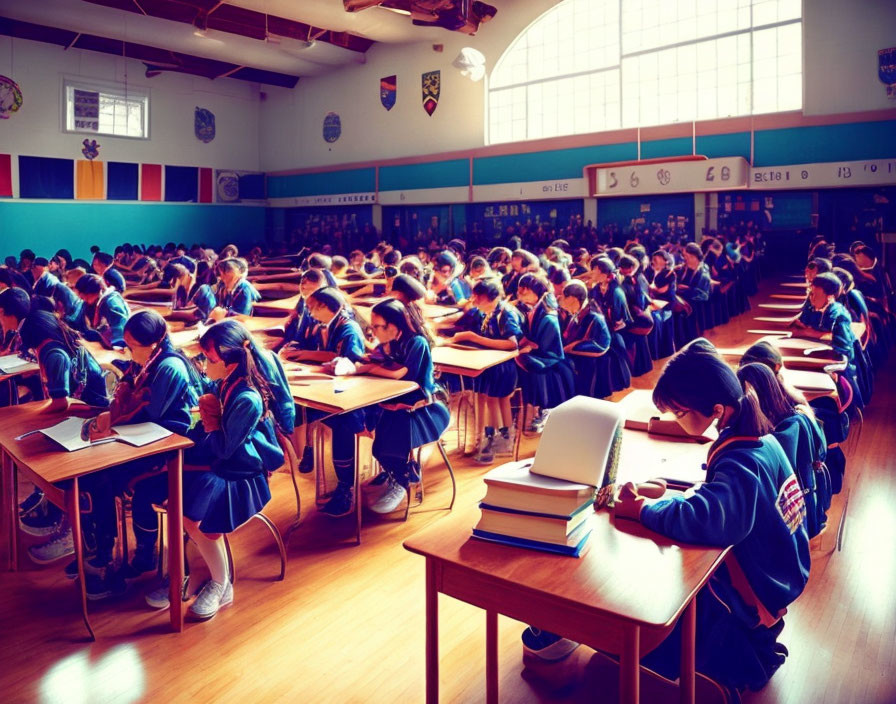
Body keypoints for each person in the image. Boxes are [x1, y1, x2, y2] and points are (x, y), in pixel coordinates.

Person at [590, 338, 809, 695]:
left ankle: (663, 654)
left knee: (659, 577)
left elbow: (708, 520)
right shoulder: (759, 438)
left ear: (717, 410)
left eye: (679, 413)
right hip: (779, 570)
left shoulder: (742, 460)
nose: (676, 421)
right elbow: (723, 503)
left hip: (759, 586)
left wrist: (643, 509)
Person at [160, 321, 284, 619]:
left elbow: (225, 449)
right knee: (174, 498)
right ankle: (195, 572)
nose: (204, 364)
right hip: (224, 463)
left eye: (209, 358)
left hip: (241, 474)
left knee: (198, 521)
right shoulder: (227, 381)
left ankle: (221, 583)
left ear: (230, 359)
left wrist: (211, 419)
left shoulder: (246, 397)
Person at [76, 310, 203, 597]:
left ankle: (115, 550)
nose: (127, 349)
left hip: (169, 442)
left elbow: (152, 414)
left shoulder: (170, 367)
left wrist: (114, 422)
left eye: (133, 345)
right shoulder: (148, 361)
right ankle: (108, 546)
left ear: (155, 342)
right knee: (97, 473)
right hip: (145, 435)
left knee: (104, 477)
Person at [18, 311, 111, 565]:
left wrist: (30, 417)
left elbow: (60, 403)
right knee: (30, 446)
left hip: (91, 421)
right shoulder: (56, 345)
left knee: (43, 459)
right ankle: (61, 518)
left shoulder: (53, 353)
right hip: (81, 417)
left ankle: (70, 531)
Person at [355, 299, 450, 515]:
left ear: (395, 326)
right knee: (379, 449)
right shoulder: (390, 343)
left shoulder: (417, 343)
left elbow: (403, 375)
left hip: (421, 410)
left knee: (393, 448)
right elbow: (375, 359)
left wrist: (365, 369)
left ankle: (403, 481)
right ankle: (398, 474)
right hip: (394, 407)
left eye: (378, 326)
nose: (374, 331)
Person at [284, 288, 367, 516]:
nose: (309, 312)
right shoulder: (332, 325)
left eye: (312, 307)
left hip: (356, 398)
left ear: (324, 306)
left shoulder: (348, 328)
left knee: (342, 423)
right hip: (336, 390)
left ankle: (345, 485)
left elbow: (348, 363)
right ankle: (304, 450)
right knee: (301, 407)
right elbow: (330, 356)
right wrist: (304, 357)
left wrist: (309, 364)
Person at [737, 362, 831, 538]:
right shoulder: (797, 413)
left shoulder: (783, 433)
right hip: (808, 503)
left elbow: (766, 472)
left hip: (792, 517)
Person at [444, 278, 522, 464]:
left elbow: (512, 344)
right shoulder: (488, 312)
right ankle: (494, 442)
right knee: (489, 402)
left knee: (493, 403)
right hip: (491, 365)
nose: (474, 299)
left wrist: (474, 338)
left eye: (478, 296)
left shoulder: (505, 313)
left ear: (490, 296)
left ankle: (496, 444)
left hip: (503, 366)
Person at [514, 273, 574, 433]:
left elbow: (545, 346)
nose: (520, 295)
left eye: (524, 292)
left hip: (550, 357)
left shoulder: (549, 316)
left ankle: (545, 409)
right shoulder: (532, 308)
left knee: (530, 364)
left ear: (536, 292)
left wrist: (529, 347)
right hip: (538, 351)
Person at [558, 281, 612, 399]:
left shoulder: (594, 317)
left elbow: (601, 346)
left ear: (572, 299)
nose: (561, 299)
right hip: (580, 359)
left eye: (564, 296)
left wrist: (571, 347)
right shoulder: (578, 311)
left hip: (593, 362)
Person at [589, 257, 633, 392]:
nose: (592, 273)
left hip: (614, 330)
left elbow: (618, 319)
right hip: (602, 327)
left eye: (595, 270)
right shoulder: (597, 288)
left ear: (603, 273)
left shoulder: (616, 292)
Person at [74, 274, 131, 348]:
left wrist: (116, 345)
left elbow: (120, 330)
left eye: (84, 296)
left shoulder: (111, 304)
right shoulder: (91, 302)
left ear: (96, 292)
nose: (82, 298)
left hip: (116, 344)